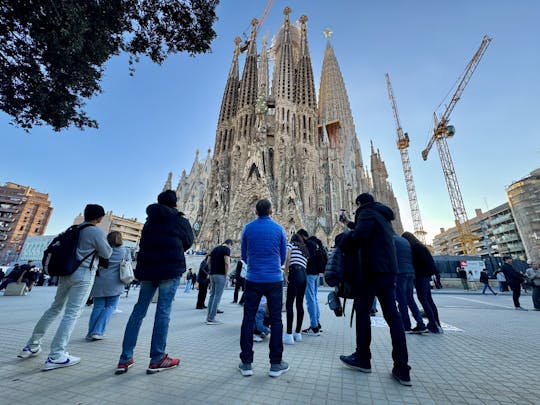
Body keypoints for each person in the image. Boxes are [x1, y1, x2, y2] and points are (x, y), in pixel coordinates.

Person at [18, 204, 112, 370]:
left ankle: (32, 345)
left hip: (65, 273)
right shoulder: (96, 231)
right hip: (83, 275)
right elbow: (107, 253)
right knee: (72, 313)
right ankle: (56, 355)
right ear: (99, 218)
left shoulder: (73, 228)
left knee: (54, 308)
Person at [115, 190, 194, 374]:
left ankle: (125, 358)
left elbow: (143, 244)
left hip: (148, 271)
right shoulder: (180, 220)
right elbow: (189, 241)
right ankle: (157, 358)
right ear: (175, 204)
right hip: (170, 270)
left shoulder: (149, 222)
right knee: (163, 312)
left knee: (138, 311)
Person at [338, 193, 411, 386]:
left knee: (362, 314)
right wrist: (350, 224)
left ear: (360, 203)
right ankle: (402, 369)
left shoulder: (366, 212)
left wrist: (344, 240)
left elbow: (359, 237)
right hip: (388, 272)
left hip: (371, 272)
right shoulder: (382, 216)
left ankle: (363, 358)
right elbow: (367, 232)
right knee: (393, 318)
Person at [239, 199, 289, 378]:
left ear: (256, 211)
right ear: (271, 211)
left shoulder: (247, 228)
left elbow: (244, 255)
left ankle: (246, 363)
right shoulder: (279, 229)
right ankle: (276, 364)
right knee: (276, 320)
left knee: (248, 318)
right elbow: (283, 257)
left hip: (252, 279)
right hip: (274, 279)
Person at [86, 231, 130, 340]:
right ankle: (98, 331)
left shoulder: (102, 250)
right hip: (115, 282)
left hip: (99, 281)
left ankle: (90, 333)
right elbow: (128, 262)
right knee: (111, 306)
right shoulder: (124, 251)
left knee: (97, 307)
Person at [402, 232, 443, 334]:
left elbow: (423, 262)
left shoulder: (416, 248)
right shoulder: (420, 246)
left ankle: (433, 324)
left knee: (423, 299)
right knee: (428, 300)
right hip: (425, 276)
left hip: (422, 276)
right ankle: (436, 324)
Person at [393, 234, 427, 334]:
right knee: (410, 299)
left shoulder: (392, 240)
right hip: (410, 272)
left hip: (400, 273)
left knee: (402, 300)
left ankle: (406, 326)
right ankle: (420, 323)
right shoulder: (405, 241)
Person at [297, 229, 326, 336]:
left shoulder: (308, 244)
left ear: (302, 236)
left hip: (309, 274)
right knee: (314, 298)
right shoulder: (315, 243)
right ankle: (317, 323)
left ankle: (314, 327)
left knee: (310, 300)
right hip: (316, 274)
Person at [282, 232, 309, 345]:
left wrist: (286, 272)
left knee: (289, 304)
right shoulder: (304, 249)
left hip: (294, 272)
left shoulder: (290, 244)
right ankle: (298, 333)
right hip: (304, 276)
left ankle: (288, 335)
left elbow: (288, 258)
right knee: (299, 304)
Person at [206, 239, 233, 324]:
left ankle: (208, 317)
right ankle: (212, 318)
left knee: (212, 295)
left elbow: (208, 261)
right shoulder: (226, 249)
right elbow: (227, 263)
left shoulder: (215, 248)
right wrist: (226, 275)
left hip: (212, 274)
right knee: (217, 296)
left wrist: (211, 270)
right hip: (221, 275)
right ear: (230, 244)